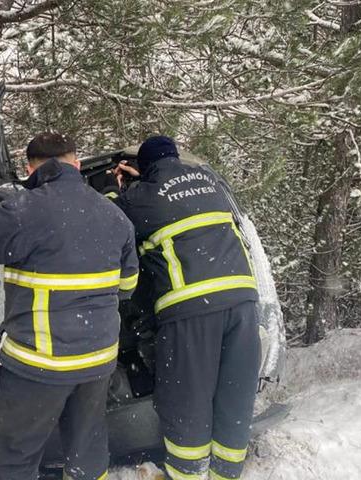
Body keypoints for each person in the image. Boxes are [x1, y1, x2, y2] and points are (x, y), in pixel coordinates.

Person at [0, 132, 140, 480]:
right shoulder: (114, 215)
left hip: (38, 364)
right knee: (87, 449)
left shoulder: (24, 208)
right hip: (97, 360)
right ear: (77, 164)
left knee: (11, 459)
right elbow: (128, 287)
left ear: (30, 169)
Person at [108, 135, 261, 480]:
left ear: (143, 167)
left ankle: (187, 473)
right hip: (242, 302)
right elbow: (175, 191)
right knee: (234, 396)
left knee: (186, 400)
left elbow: (110, 218)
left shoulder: (140, 198)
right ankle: (226, 472)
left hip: (191, 307)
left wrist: (114, 186)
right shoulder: (211, 183)